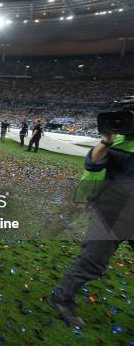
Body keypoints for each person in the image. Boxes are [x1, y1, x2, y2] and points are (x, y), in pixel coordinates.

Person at [47, 130, 134, 327]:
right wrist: (107, 141)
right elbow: (93, 164)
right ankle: (62, 298)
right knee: (92, 261)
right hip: (113, 211)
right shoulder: (119, 142)